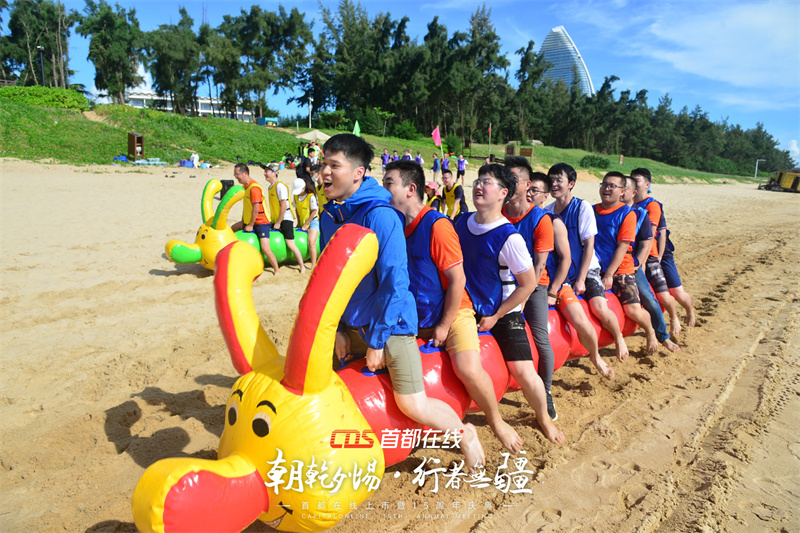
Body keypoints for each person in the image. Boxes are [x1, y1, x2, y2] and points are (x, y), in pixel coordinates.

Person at [319, 133, 486, 471]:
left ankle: (466, 435)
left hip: (390, 324)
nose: (324, 172)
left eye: (334, 165)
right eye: (323, 164)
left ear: (358, 173)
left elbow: (395, 283)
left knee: (412, 404)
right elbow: (328, 280)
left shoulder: (380, 216)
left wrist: (378, 341)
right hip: (350, 323)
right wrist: (336, 329)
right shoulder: (328, 216)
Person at [382, 159, 522, 454]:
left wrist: (445, 325)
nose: (384, 191)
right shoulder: (394, 225)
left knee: (467, 368)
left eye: (388, 184)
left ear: (410, 189)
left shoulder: (437, 225)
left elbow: (457, 280)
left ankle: (495, 421)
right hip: (415, 316)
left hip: (455, 310)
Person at [454, 163, 564, 444]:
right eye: (478, 180)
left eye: (487, 182)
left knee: (523, 371)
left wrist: (497, 315)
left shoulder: (509, 237)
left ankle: (543, 417)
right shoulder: (461, 223)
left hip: (503, 312)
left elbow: (528, 283)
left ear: (504, 192)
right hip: (466, 307)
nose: (479, 186)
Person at [526, 172, 615, 380]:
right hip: (526, 283)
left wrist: (554, 290)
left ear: (544, 196)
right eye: (528, 190)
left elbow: (566, 259)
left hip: (555, 282)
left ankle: (595, 356)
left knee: (580, 321)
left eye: (535, 191)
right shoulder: (514, 219)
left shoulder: (553, 220)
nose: (529, 194)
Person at [545, 163, 630, 362]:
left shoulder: (581, 207)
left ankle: (618, 337)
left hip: (587, 268)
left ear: (571, 184)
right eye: (551, 180)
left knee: (599, 306)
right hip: (561, 271)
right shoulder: (547, 211)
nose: (554, 184)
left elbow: (589, 245)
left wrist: (582, 279)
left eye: (559, 180)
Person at [501, 156, 558, 419]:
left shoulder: (540, 218)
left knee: (540, 337)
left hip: (534, 286)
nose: (508, 183)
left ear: (527, 185)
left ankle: (546, 392)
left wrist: (522, 299)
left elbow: (539, 264)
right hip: (502, 284)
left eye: (514, 179)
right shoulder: (498, 213)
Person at [593, 172, 658, 353]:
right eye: (604, 184)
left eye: (612, 186)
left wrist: (609, 274)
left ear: (622, 192)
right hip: (596, 268)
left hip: (621, 268)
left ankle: (650, 330)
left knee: (632, 311)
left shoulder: (628, 214)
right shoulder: (591, 210)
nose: (606, 189)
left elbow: (622, 247)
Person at [632, 168, 696, 329]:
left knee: (676, 292)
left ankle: (689, 310)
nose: (633, 183)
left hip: (660, 252)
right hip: (643, 251)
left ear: (647, 184)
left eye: (637, 180)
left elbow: (654, 235)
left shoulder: (652, 205)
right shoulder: (629, 203)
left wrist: (658, 257)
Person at [621, 176, 680, 352]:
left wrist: (638, 265)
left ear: (633, 192)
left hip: (631, 263)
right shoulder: (602, 212)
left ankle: (663, 336)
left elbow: (646, 244)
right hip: (606, 266)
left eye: (624, 189)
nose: (620, 192)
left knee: (648, 297)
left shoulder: (641, 214)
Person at [230, 163, 279, 275]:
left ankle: (276, 269)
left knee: (265, 248)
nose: (236, 177)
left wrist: (251, 225)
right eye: (234, 175)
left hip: (261, 222)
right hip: (249, 221)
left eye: (237, 174)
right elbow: (246, 207)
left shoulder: (254, 188)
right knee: (232, 229)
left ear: (245, 173)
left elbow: (256, 209)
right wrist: (243, 221)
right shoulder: (245, 187)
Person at [265, 163, 307, 274]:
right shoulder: (271, 187)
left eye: (267, 171)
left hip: (286, 219)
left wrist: (278, 222)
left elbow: (284, 205)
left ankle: (302, 266)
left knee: (290, 244)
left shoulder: (280, 186)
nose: (264, 174)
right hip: (276, 219)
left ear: (274, 173)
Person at [293, 176, 320, 268]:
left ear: (304, 188)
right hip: (303, 221)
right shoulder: (296, 196)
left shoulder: (310, 196)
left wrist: (306, 224)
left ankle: (313, 265)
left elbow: (314, 211)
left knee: (311, 243)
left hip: (313, 221)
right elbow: (297, 209)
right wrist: (299, 222)